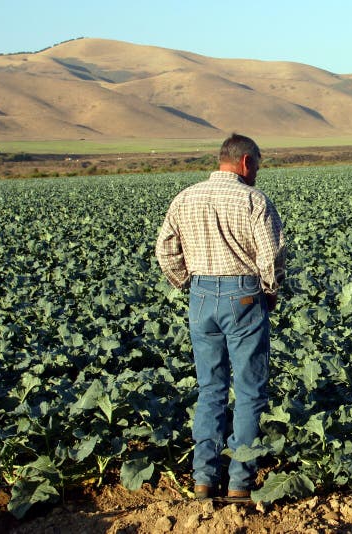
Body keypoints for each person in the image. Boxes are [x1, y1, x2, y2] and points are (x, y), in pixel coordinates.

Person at [155, 133, 286, 500]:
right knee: (248, 390)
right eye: (257, 164)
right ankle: (240, 484)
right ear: (245, 162)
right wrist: (270, 292)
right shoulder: (253, 199)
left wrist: (185, 282)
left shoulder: (186, 197)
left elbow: (164, 249)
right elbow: (271, 255)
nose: (258, 171)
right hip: (242, 296)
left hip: (199, 296)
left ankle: (203, 480)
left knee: (210, 388)